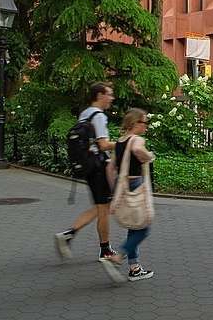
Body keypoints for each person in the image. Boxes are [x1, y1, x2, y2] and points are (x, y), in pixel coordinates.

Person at [54, 82, 125, 281]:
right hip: (99, 167)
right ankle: (105, 249)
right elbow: (102, 145)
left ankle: (68, 235)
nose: (112, 98)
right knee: (103, 209)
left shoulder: (85, 114)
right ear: (100, 95)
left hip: (88, 167)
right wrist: (122, 143)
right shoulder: (99, 116)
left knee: (100, 206)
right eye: (109, 94)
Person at [112, 109, 156, 282]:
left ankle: (134, 268)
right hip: (136, 184)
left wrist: (113, 193)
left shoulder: (120, 141)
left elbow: (111, 168)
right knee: (144, 228)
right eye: (144, 123)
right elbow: (138, 150)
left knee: (134, 227)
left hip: (122, 185)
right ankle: (119, 255)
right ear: (135, 123)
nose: (146, 126)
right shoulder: (137, 139)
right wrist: (149, 156)